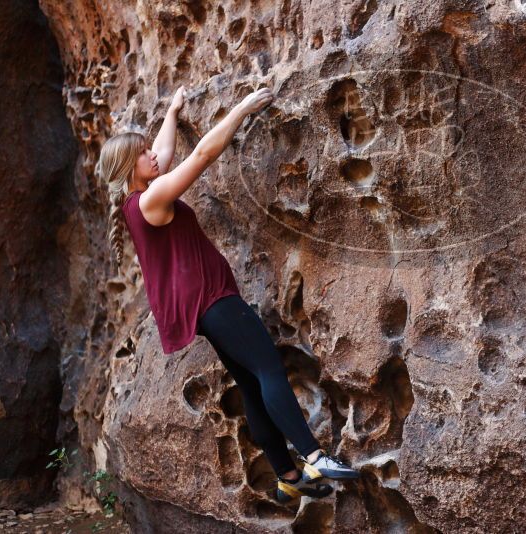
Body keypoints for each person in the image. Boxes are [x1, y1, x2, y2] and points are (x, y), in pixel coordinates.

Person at [97, 85, 360, 504]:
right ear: (131, 166)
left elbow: (165, 154)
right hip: (212, 299)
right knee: (270, 369)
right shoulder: (152, 199)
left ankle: (288, 475)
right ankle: (313, 456)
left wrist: (172, 110)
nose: (153, 155)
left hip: (201, 306)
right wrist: (241, 108)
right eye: (143, 153)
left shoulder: (138, 200)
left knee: (252, 385)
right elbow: (200, 156)